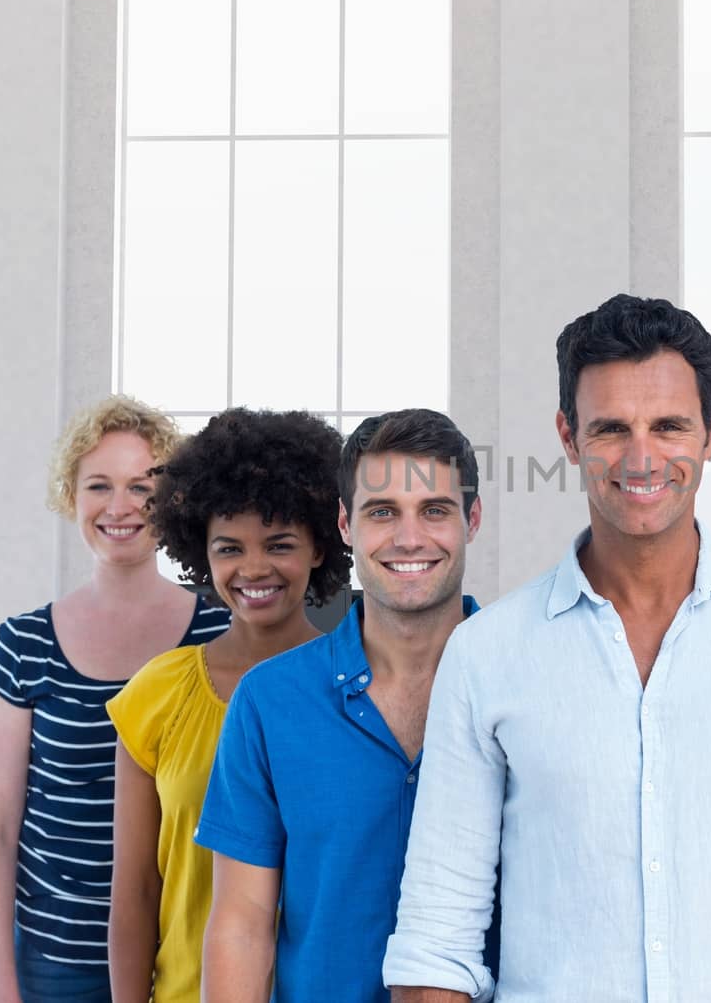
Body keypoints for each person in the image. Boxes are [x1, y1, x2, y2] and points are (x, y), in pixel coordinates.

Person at [384, 295, 711, 1003]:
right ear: (568, 437)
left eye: (668, 426)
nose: (641, 456)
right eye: (610, 428)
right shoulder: (487, 654)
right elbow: (437, 932)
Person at [195, 409, 484, 1003]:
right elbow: (241, 926)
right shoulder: (269, 701)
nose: (409, 539)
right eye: (382, 512)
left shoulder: (529, 684)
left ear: (471, 521)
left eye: (434, 510)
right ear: (346, 526)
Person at [0, 396, 229, 1003]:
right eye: (99, 485)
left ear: (172, 500)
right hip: (56, 959)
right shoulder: (26, 643)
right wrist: (0, 986)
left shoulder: (218, 634)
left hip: (185, 953)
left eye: (142, 486)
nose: (121, 507)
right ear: (71, 496)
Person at [105, 408, 351, 1002]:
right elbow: (136, 890)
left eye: (280, 544)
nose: (254, 568)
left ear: (320, 546)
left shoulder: (357, 688)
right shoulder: (156, 695)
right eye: (229, 548)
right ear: (201, 553)